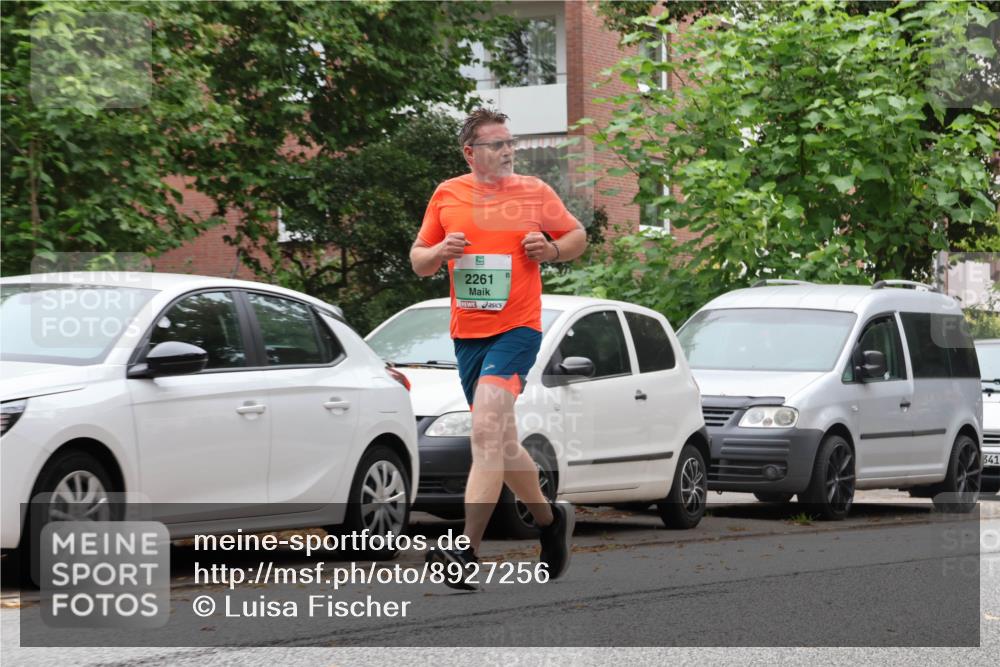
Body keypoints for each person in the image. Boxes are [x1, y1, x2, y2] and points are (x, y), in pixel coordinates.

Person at [410, 108, 588, 590]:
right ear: (471, 153)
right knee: (502, 445)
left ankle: (464, 548)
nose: (508, 151)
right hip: (467, 334)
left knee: (485, 429)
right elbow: (419, 260)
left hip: (518, 329)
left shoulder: (534, 192)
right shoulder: (447, 194)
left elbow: (577, 236)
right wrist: (440, 252)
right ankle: (551, 523)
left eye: (511, 143)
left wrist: (550, 251)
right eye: (497, 144)